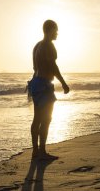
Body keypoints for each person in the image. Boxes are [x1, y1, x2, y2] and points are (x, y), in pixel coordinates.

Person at [29, 20, 70, 160]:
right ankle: (42, 152)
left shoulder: (37, 46)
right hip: (44, 85)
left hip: (35, 83)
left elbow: (35, 68)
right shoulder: (48, 45)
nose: (57, 33)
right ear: (50, 29)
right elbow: (53, 66)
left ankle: (35, 151)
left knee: (37, 119)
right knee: (46, 119)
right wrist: (63, 83)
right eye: (55, 30)